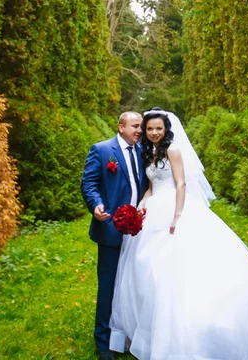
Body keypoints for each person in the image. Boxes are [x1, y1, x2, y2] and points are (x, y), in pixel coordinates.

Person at [109, 107, 248, 360]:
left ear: (166, 129)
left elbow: (180, 183)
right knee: (149, 269)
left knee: (180, 268)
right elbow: (152, 186)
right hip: (154, 209)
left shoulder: (172, 151)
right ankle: (149, 327)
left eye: (158, 128)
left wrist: (177, 215)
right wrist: (142, 204)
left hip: (176, 207)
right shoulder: (149, 153)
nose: (153, 133)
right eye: (149, 129)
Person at [81, 111, 148, 360]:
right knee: (108, 286)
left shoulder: (143, 151)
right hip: (110, 227)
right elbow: (89, 184)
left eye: (140, 126)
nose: (139, 130)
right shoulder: (101, 150)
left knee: (135, 284)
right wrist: (96, 205)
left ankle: (131, 333)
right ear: (121, 127)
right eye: (135, 126)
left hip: (141, 229)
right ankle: (103, 343)